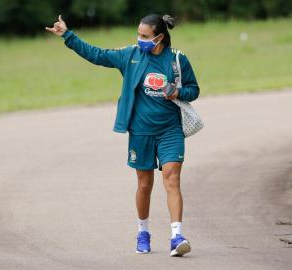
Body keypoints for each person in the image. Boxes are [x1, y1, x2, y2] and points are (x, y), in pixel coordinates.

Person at [46, 13, 199, 257]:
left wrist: (178, 91)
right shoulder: (130, 56)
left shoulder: (177, 60)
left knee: (172, 178)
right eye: (138, 34)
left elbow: (194, 90)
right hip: (140, 132)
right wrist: (67, 35)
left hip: (170, 130)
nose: (140, 39)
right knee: (144, 184)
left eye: (145, 36)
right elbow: (96, 55)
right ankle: (143, 232)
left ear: (159, 37)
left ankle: (176, 236)